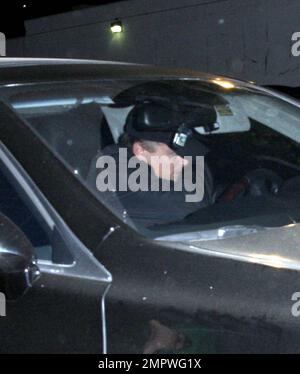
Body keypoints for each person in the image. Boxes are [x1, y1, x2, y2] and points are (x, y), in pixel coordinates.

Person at [87, 100, 215, 227]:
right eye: (173, 155)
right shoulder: (115, 172)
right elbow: (195, 204)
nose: (185, 162)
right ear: (140, 150)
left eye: (187, 154)